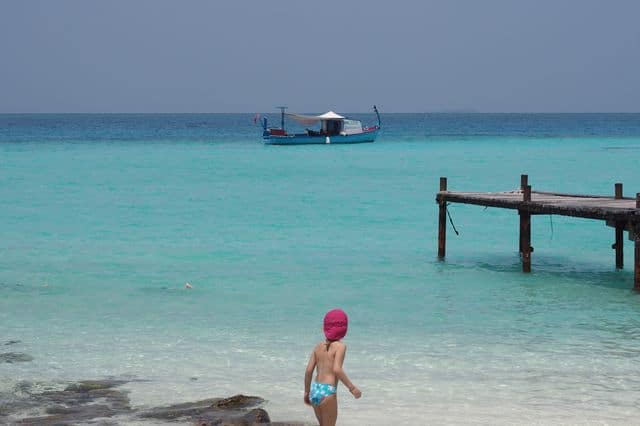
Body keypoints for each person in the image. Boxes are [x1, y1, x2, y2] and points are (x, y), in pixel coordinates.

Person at [304, 309, 361, 425]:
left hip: (315, 390)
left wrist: (306, 392)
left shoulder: (318, 346)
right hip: (328, 392)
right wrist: (352, 388)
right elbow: (337, 369)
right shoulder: (340, 347)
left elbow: (308, 371)